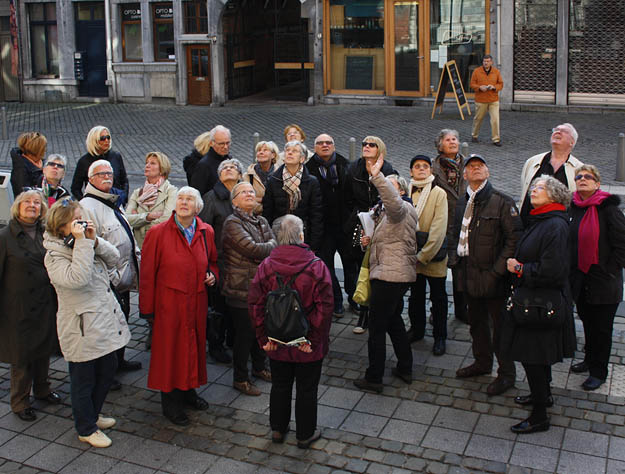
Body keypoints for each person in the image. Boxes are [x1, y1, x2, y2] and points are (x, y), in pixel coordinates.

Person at [44, 198, 131, 448]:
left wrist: (93, 239)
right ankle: (85, 427)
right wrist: (82, 243)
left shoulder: (83, 241)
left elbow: (114, 257)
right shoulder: (54, 255)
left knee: (107, 370)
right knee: (84, 380)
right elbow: (77, 279)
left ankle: (93, 414)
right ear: (62, 226)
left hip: (102, 319)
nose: (81, 222)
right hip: (81, 327)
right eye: (76, 219)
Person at [248, 214, 333, 449]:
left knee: (280, 385)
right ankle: (304, 435)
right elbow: (325, 309)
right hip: (306, 343)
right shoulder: (316, 266)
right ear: (301, 235)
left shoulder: (266, 266)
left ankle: (278, 429)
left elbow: (255, 304)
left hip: (276, 340)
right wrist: (313, 341)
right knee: (307, 388)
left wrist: (263, 338)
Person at [502, 175, 575, 434]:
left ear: (554, 195)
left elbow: (553, 270)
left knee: (534, 358)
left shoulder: (554, 225)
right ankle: (541, 395)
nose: (533, 190)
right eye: (533, 187)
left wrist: (520, 268)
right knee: (537, 357)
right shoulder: (542, 219)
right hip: (536, 301)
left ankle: (539, 416)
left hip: (541, 303)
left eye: (540, 188)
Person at [139, 187, 216, 426]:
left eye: (190, 199)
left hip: (197, 301)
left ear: (198, 206)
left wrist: (212, 274)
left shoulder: (206, 231)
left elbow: (212, 261)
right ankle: (171, 402)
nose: (184, 202)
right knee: (170, 352)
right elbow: (147, 274)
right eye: (180, 198)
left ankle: (189, 390)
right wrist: (147, 310)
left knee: (193, 347)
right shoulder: (157, 233)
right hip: (168, 304)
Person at [449, 154, 522, 396]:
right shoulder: (462, 201)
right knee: (476, 323)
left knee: (500, 328)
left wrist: (497, 272)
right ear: (465, 175)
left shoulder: (502, 202)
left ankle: (506, 373)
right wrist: (454, 260)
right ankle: (482, 362)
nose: (476, 168)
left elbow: (514, 240)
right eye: (471, 166)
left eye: (480, 166)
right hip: (467, 272)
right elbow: (454, 232)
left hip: (493, 277)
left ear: (488, 173)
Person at [353, 154, 417, 394]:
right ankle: (405, 366)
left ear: (399, 190)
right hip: (391, 273)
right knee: (393, 321)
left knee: (377, 328)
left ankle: (374, 377)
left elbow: (393, 202)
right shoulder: (385, 213)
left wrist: (377, 176)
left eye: (391, 186)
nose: (385, 190)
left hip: (390, 275)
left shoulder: (401, 207)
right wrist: (369, 241)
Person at [80, 160, 142, 388]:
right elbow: (92, 244)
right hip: (108, 278)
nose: (107, 177)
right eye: (101, 174)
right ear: (91, 179)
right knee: (108, 324)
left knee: (122, 318)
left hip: (123, 276)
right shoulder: (87, 206)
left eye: (109, 173)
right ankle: (107, 372)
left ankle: (119, 360)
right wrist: (113, 276)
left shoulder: (112, 201)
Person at [0, 190, 60, 422]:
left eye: (37, 202)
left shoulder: (47, 233)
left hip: (44, 302)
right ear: (17, 206)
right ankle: (20, 401)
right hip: (18, 307)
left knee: (43, 349)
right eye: (27, 202)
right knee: (22, 357)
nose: (32, 206)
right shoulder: (5, 237)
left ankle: (43, 390)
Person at [569, 165, 625, 391]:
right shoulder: (572, 206)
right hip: (580, 279)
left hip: (604, 280)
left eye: (588, 177)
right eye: (579, 177)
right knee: (588, 322)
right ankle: (589, 359)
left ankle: (599, 372)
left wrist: (610, 268)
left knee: (602, 328)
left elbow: (622, 243)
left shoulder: (608, 209)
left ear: (597, 183)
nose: (582, 179)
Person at [223, 182, 277, 396]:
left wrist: (267, 249)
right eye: (243, 192)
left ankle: (259, 367)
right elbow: (253, 249)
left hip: (261, 285)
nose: (249, 194)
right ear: (234, 200)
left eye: (251, 192)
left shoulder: (261, 220)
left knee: (259, 331)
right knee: (244, 336)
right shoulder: (232, 223)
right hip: (240, 288)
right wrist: (269, 248)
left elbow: (271, 244)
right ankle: (240, 378)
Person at [343, 136, 396, 331]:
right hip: (359, 224)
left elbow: (392, 195)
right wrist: (353, 216)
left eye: (371, 145)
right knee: (360, 265)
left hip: (381, 223)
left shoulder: (388, 169)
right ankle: (363, 311)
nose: (366, 147)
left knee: (375, 266)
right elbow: (346, 196)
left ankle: (375, 312)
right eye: (364, 144)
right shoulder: (353, 168)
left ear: (379, 149)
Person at [198, 158, 245, 364]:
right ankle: (215, 345)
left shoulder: (244, 195)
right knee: (219, 306)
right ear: (218, 175)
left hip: (241, 262)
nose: (228, 169)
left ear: (240, 175)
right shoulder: (211, 198)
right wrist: (207, 265)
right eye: (224, 167)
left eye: (233, 167)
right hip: (220, 261)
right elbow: (204, 233)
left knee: (236, 306)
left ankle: (234, 341)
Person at [406, 155, 449, 355]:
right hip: (412, 255)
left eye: (425, 166)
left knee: (438, 298)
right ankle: (417, 329)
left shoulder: (438, 193)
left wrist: (422, 256)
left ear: (431, 170)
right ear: (411, 171)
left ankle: (440, 336)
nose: (421, 169)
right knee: (415, 296)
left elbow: (439, 229)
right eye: (417, 166)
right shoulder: (406, 191)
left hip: (432, 255)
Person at [306, 133, 351, 318]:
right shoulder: (307, 169)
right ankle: (337, 301)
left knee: (350, 265)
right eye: (320, 143)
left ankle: (355, 298)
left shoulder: (345, 165)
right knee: (327, 268)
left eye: (328, 142)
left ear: (333, 145)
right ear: (314, 147)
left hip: (344, 226)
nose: (325, 145)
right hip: (322, 228)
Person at [432, 129, 468, 323]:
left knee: (461, 271)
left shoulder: (469, 164)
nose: (453, 142)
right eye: (448, 140)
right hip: (442, 225)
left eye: (455, 138)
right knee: (438, 271)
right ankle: (437, 311)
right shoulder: (433, 168)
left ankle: (462, 310)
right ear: (440, 145)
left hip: (464, 224)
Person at [262, 140, 323, 252]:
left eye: (294, 151)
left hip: (304, 236)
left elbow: (316, 215)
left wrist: (314, 245)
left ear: (302, 159)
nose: (289, 153)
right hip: (278, 235)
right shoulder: (273, 180)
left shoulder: (311, 182)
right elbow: (267, 213)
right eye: (287, 151)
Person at [519, 123, 583, 227]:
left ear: (572, 142)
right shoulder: (532, 162)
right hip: (528, 223)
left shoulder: (579, 168)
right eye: (556, 130)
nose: (558, 132)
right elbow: (524, 189)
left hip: (559, 227)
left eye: (564, 131)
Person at [126, 152, 177, 248]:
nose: (147, 166)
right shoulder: (138, 193)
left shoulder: (171, 191)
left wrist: (138, 221)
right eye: (147, 163)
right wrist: (148, 217)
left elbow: (167, 220)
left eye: (152, 163)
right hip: (139, 247)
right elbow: (127, 219)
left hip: (161, 245)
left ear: (162, 169)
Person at [71, 126, 129, 206]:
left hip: (116, 204)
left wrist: (123, 198)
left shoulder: (116, 156)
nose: (107, 140)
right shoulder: (84, 161)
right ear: (94, 140)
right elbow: (75, 188)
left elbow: (124, 180)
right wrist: (85, 204)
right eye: (103, 138)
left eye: (108, 137)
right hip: (94, 206)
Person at [470, 55, 503, 146]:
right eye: (484, 61)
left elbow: (500, 84)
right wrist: (479, 87)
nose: (486, 63)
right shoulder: (477, 71)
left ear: (491, 62)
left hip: (493, 99)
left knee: (495, 120)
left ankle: (496, 139)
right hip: (481, 99)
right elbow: (472, 84)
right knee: (478, 119)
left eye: (488, 61)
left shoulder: (496, 72)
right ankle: (474, 135)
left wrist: (494, 87)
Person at [190, 125, 232, 196]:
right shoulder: (204, 165)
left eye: (228, 143)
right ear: (211, 143)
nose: (225, 147)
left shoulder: (229, 159)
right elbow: (197, 194)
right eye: (221, 144)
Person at [244, 140, 279, 214]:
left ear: (273, 155)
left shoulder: (280, 175)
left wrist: (259, 199)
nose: (261, 152)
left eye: (265, 150)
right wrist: (268, 204)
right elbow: (247, 201)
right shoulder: (247, 176)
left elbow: (280, 201)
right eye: (259, 150)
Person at [10, 132, 47, 196]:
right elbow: (23, 195)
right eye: (44, 147)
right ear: (36, 149)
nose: (45, 149)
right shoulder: (21, 170)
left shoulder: (40, 162)